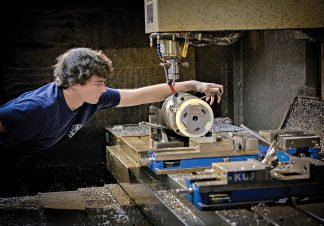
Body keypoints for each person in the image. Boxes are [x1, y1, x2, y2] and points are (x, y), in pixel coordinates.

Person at [0, 47, 223, 162]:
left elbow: (140, 95)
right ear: (76, 83)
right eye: (98, 83)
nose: (104, 89)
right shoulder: (37, 108)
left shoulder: (93, 98)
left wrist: (195, 84)